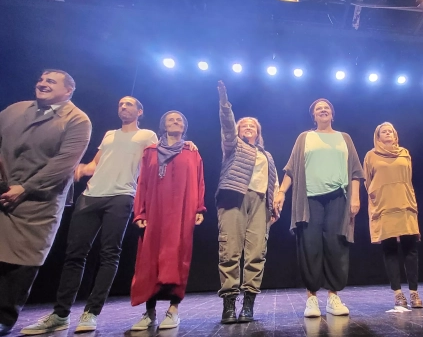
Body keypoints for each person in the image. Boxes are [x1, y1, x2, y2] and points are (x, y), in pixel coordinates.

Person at [20, 96, 196, 335]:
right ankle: (60, 314)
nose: (123, 107)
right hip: (91, 195)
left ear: (140, 112)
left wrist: (189, 145)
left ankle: (91, 312)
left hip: (122, 195)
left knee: (109, 255)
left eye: (129, 104)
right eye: (120, 104)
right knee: (74, 255)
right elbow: (94, 164)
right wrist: (75, 169)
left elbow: (166, 153)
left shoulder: (148, 137)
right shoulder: (109, 135)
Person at [0, 70, 91, 336]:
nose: (42, 83)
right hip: (4, 190)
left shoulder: (77, 119)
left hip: (39, 201)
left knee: (22, 260)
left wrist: (26, 187)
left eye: (51, 81)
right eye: (40, 79)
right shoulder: (15, 110)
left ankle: (4, 316)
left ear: (68, 90)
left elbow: (64, 163)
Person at [274, 98, 364, 318]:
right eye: (318, 109)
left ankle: (333, 296)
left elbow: (355, 171)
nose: (322, 110)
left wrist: (355, 198)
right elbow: (292, 169)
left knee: (336, 245)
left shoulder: (345, 138)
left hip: (338, 199)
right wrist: (281, 191)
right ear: (313, 116)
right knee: (310, 245)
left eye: (326, 108)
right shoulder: (305, 138)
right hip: (309, 200)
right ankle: (311, 298)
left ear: (332, 114)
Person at [129, 111, 206, 331]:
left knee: (178, 257)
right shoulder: (150, 152)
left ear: (184, 127)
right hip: (155, 212)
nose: (175, 121)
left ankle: (173, 310)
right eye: (171, 119)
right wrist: (140, 213)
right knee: (149, 259)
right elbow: (142, 182)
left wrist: (200, 207)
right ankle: (149, 312)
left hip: (182, 211)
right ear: (163, 125)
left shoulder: (191, 152)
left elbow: (199, 180)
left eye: (180, 119)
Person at [215, 81, 280, 324]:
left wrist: (275, 202)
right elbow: (227, 127)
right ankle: (229, 303)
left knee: (255, 253)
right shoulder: (233, 145)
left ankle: (249, 303)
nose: (248, 127)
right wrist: (224, 103)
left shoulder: (267, 155)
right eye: (244, 125)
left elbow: (272, 182)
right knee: (230, 250)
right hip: (235, 198)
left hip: (260, 204)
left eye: (253, 126)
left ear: (258, 132)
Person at [363, 122, 422, 309]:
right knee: (389, 249)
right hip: (384, 205)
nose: (388, 133)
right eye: (384, 132)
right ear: (378, 137)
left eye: (391, 131)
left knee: (410, 249)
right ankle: (398, 293)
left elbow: (409, 177)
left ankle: (414, 292)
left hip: (405, 203)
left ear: (395, 135)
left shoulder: (405, 153)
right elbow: (367, 181)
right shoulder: (371, 156)